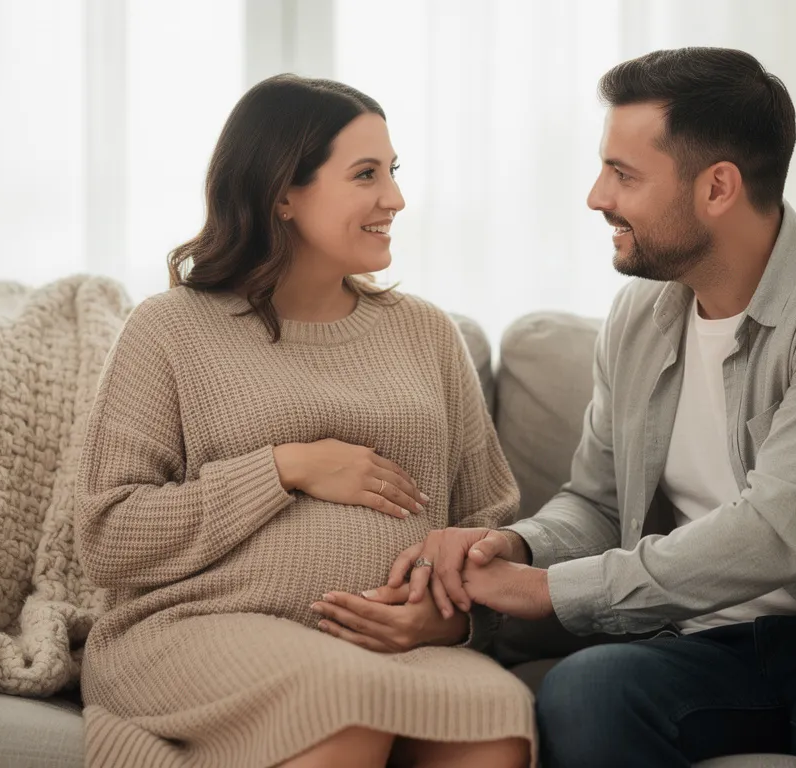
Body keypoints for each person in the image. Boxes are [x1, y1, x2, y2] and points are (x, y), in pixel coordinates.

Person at [363, 47, 796, 767]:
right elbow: (597, 503)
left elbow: (777, 534)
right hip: (713, 645)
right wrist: (521, 548)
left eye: (623, 174)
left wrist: (548, 589)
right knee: (585, 693)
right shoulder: (638, 316)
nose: (596, 197)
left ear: (718, 187)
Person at [75, 74, 533, 768]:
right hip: (202, 626)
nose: (395, 198)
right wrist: (286, 468)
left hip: (390, 646)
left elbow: (487, 518)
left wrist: (449, 619)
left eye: (394, 171)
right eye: (366, 174)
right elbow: (108, 534)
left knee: (495, 718)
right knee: (343, 706)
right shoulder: (169, 329)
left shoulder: (427, 333)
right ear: (283, 193)